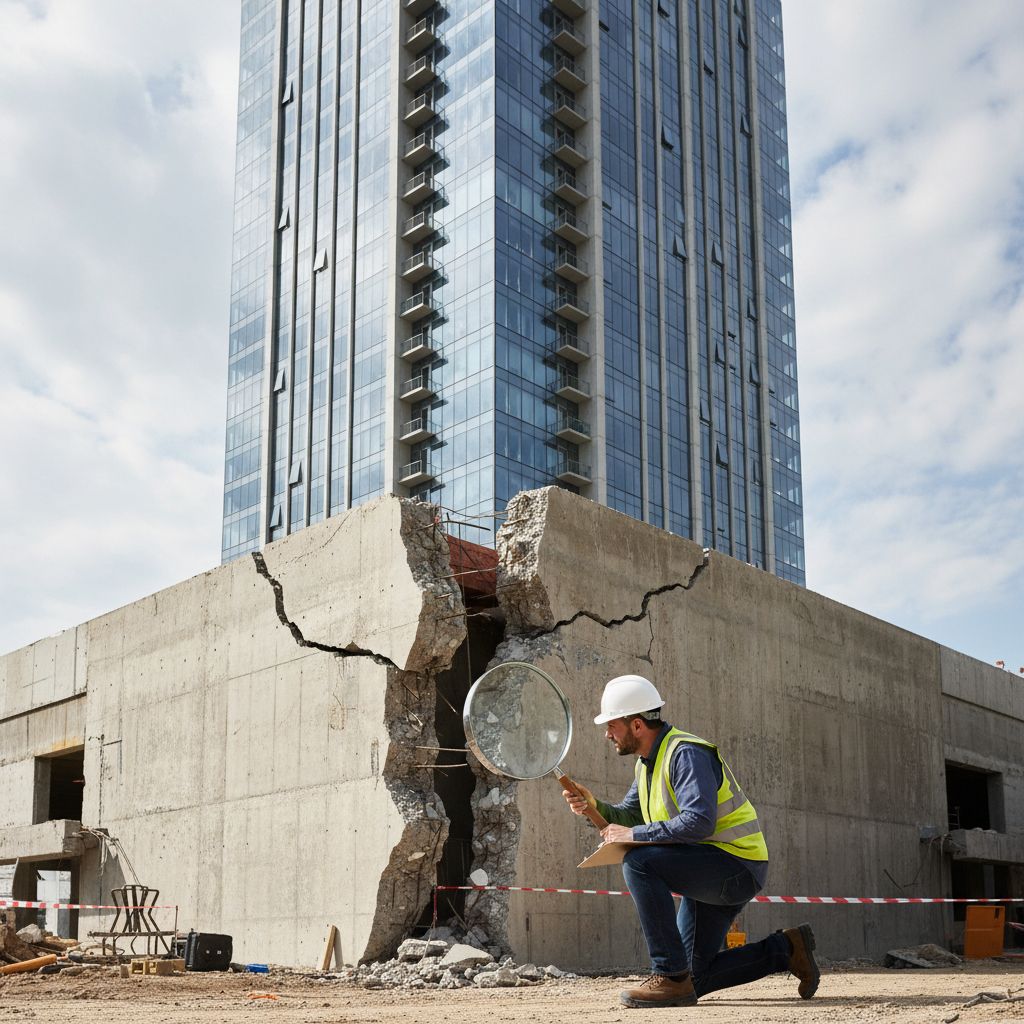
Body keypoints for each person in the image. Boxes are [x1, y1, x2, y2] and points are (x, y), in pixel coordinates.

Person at [563, 674, 820, 1008]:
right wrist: (593, 805)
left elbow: (698, 821)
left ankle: (667, 975)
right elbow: (629, 816)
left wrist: (633, 836)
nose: (607, 733)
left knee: (639, 862)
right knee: (693, 979)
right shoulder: (647, 765)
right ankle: (787, 949)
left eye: (612, 725)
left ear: (637, 725)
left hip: (735, 866)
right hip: (707, 867)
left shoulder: (685, 753)